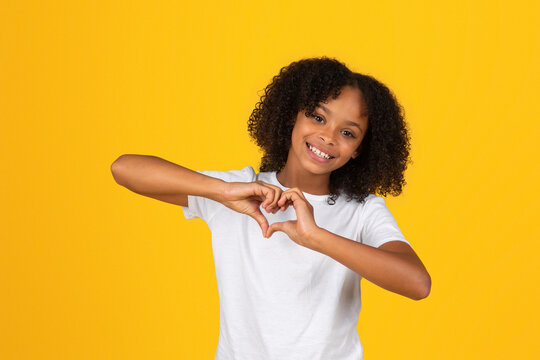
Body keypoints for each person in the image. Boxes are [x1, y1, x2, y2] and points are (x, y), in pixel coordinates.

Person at [111, 56, 431, 360]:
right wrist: (222, 191)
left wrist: (315, 237)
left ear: (360, 149)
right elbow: (124, 169)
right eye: (317, 117)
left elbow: (417, 283)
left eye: (347, 132)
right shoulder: (239, 191)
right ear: (293, 114)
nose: (327, 136)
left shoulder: (361, 210)